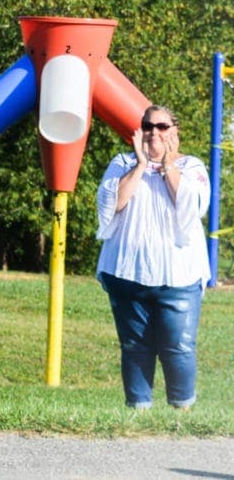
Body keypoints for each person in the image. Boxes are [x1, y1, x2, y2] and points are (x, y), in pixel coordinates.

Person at [95, 104, 210, 410]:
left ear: (175, 132)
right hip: (126, 275)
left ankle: (182, 412)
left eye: (161, 126)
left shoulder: (192, 167)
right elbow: (112, 204)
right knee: (134, 347)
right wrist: (141, 165)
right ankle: (138, 412)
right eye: (148, 126)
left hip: (179, 277)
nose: (154, 132)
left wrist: (168, 164)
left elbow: (192, 208)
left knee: (179, 347)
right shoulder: (122, 162)